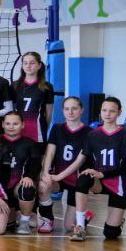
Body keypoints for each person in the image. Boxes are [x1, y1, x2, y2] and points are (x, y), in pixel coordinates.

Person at [71, 96, 126, 241]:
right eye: (104, 110)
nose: (107, 114)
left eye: (112, 111)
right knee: (83, 179)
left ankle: (117, 222)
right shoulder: (93, 134)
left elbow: (125, 167)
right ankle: (80, 226)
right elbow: (87, 159)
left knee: (110, 234)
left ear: (119, 112)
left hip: (118, 184)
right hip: (99, 182)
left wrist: (102, 174)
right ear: (100, 112)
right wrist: (90, 171)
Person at [42, 96, 89, 234]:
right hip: (58, 178)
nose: (70, 112)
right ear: (63, 111)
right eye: (67, 109)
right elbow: (50, 152)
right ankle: (47, 219)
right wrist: (46, 172)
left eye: (74, 108)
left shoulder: (89, 132)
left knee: (69, 227)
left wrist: (59, 176)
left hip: (76, 181)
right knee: (43, 185)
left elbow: (80, 161)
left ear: (82, 110)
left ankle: (86, 216)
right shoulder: (57, 128)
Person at [0, 111, 41, 235]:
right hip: (0, 188)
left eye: (15, 124)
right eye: (8, 124)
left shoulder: (30, 143)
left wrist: (29, 176)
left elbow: (36, 164)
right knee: (2, 227)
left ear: (22, 125)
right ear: (2, 124)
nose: (11, 127)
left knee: (27, 188)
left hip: (18, 185)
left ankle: (24, 222)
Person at [12, 52, 53, 143]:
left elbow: (49, 114)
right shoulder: (15, 86)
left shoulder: (47, 87)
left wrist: (43, 127)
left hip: (37, 132)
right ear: (22, 66)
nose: (28, 66)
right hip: (17, 130)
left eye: (32, 63)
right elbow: (11, 110)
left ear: (39, 65)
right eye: (25, 63)